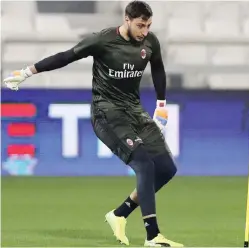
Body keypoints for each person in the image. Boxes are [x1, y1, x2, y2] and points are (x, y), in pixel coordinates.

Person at [3, 1, 183, 247]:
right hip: (106, 113)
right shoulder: (102, 41)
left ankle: (119, 214)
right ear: (127, 19)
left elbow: (159, 69)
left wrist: (161, 104)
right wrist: (26, 72)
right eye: (140, 25)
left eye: (148, 25)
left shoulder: (150, 42)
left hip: (135, 112)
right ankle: (153, 236)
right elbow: (66, 56)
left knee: (165, 169)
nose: (144, 31)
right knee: (143, 164)